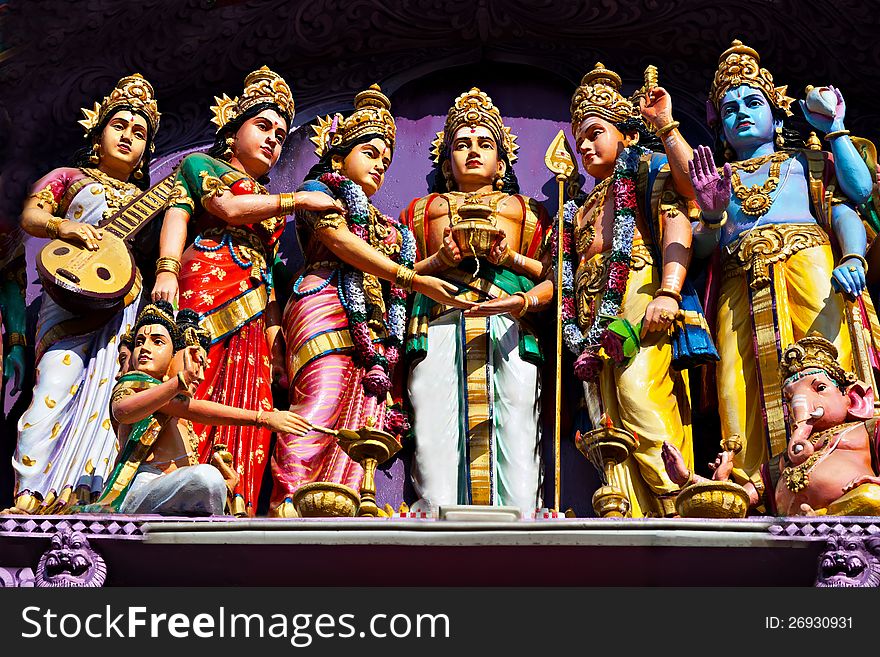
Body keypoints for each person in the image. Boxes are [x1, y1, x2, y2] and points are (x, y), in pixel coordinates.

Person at [688, 40, 878, 506]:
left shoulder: (805, 163)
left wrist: (834, 130)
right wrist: (712, 215)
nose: (742, 114)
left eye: (753, 102)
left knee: (827, 370)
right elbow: (701, 249)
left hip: (809, 270)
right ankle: (750, 489)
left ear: (777, 112)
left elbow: (855, 196)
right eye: (730, 109)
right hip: (738, 283)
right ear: (720, 126)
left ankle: (844, 471)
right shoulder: (718, 179)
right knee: (740, 385)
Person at [269, 85, 470, 517]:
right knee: (321, 399)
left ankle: (343, 500)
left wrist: (438, 261)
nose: (380, 163)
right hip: (324, 300)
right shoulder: (319, 191)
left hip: (375, 325)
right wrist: (412, 276)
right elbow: (339, 242)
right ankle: (289, 496)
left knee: (363, 414)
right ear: (339, 155)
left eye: (386, 159)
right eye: (371, 151)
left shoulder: (381, 222)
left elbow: (399, 274)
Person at [151, 66, 343, 517]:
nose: (274, 138)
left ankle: (235, 498)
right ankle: (182, 483)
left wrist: (277, 335)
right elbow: (224, 208)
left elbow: (273, 277)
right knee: (197, 377)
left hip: (254, 313)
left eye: (280, 133)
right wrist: (167, 270)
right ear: (232, 131)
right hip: (204, 291)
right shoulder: (202, 167)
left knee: (251, 399)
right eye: (262, 126)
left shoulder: (268, 202)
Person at [5, 75, 160, 514]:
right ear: (98, 133)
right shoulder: (69, 177)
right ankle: (30, 493)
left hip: (124, 301)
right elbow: (32, 215)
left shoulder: (149, 199)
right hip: (70, 294)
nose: (128, 136)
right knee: (55, 381)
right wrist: (62, 226)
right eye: (120, 126)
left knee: (108, 390)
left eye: (139, 132)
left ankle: (85, 491)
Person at [401, 87, 553, 513]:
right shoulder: (420, 210)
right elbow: (395, 276)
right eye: (461, 144)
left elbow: (558, 279)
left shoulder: (527, 211)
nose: (472, 152)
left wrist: (513, 262)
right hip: (440, 321)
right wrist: (437, 259)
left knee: (517, 417)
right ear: (447, 160)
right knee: (434, 419)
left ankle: (521, 515)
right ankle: (436, 513)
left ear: (501, 162)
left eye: (484, 144)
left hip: (508, 323)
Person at [561, 63, 701, 517]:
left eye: (595, 132)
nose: (584, 145)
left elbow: (685, 202)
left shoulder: (644, 171)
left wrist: (669, 291)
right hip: (587, 314)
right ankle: (629, 507)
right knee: (604, 412)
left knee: (636, 392)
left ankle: (676, 498)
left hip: (637, 291)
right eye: (579, 138)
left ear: (625, 134)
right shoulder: (580, 207)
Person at [81, 301, 309, 515]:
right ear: (174, 358)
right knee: (205, 477)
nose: (145, 349)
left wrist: (227, 485)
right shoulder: (137, 385)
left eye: (156, 342)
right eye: (140, 342)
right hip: (140, 487)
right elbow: (124, 410)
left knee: (211, 480)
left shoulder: (174, 409)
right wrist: (261, 417)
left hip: (169, 490)